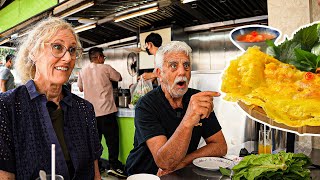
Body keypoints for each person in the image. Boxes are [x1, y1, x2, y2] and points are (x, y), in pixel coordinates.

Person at [0, 17, 102, 179]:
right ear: (33, 53)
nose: (68, 58)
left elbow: (95, 174)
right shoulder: (7, 107)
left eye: (72, 50)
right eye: (57, 47)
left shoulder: (84, 109)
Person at [125, 41, 227, 176]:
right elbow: (165, 162)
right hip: (146, 174)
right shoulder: (146, 105)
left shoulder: (197, 99)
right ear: (159, 73)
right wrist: (189, 119)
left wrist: (184, 161)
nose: (182, 72)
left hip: (179, 172)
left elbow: (220, 146)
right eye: (173, 65)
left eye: (186, 65)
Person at [77, 47, 126, 178]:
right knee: (112, 141)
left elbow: (80, 88)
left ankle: (97, 167)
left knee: (95, 142)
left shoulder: (82, 71)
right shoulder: (106, 68)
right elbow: (119, 77)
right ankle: (114, 166)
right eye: (103, 57)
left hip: (91, 114)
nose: (104, 59)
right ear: (99, 57)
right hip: (107, 112)